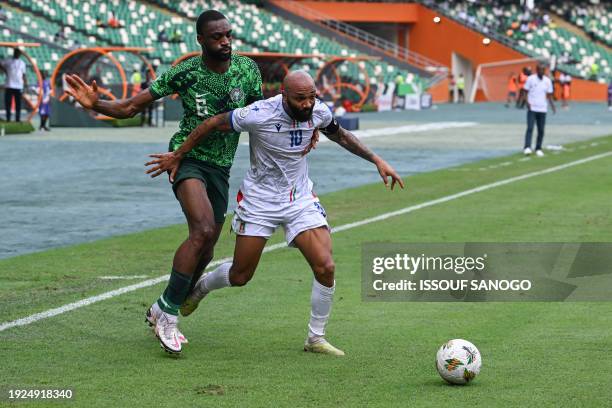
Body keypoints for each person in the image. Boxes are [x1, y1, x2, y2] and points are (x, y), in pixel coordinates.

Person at [144, 71, 404, 356]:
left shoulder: (318, 111)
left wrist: (376, 159)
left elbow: (340, 135)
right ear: (284, 95)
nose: (307, 104)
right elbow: (213, 122)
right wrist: (179, 154)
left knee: (325, 266)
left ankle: (315, 338)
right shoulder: (257, 114)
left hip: (299, 198)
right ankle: (202, 287)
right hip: (260, 200)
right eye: (300, 99)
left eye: (312, 97)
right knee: (241, 275)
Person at [64, 10, 264, 354]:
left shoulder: (247, 70)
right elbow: (129, 107)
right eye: (217, 37)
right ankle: (169, 316)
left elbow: (262, 115)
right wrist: (96, 103)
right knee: (200, 231)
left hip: (221, 167)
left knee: (208, 247)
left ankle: (161, 306)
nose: (225, 42)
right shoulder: (186, 72)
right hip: (185, 159)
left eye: (228, 35)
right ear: (200, 40)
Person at [519, 63, 556, 157]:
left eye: (543, 70)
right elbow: (525, 92)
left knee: (541, 130)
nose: (541, 71)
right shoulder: (531, 79)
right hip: (532, 108)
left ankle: (538, 148)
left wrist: (553, 106)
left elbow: (549, 95)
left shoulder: (547, 81)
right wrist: (527, 103)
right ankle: (527, 147)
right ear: (537, 70)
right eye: (539, 70)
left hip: (542, 108)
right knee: (530, 128)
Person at [1, 48, 27, 122]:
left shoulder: (22, 63)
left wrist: (25, 84)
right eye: (16, 53)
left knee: (18, 104)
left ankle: (17, 119)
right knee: (8, 103)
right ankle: (8, 118)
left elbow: (24, 75)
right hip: (9, 85)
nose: (17, 54)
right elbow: (1, 63)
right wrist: (5, 70)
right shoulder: (8, 61)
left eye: (18, 53)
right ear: (14, 53)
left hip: (18, 86)